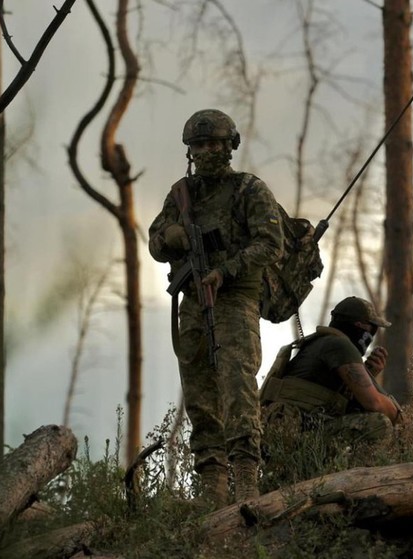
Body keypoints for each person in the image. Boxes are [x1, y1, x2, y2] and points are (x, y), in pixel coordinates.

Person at [148, 109, 284, 508]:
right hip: (193, 302)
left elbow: (270, 243)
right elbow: (155, 241)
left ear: (230, 146)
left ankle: (245, 484)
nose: (206, 151)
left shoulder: (249, 190)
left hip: (235, 299)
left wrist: (226, 270)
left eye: (214, 144)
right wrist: (171, 237)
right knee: (199, 393)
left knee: (238, 389)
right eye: (199, 145)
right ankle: (212, 488)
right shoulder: (181, 195)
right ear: (190, 150)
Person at [260, 296, 402, 446]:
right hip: (295, 433)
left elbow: (333, 401)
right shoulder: (340, 345)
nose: (372, 335)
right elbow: (374, 403)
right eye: (372, 329)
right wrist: (400, 418)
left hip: (286, 433)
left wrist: (369, 373)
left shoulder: (320, 343)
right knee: (379, 424)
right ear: (359, 326)